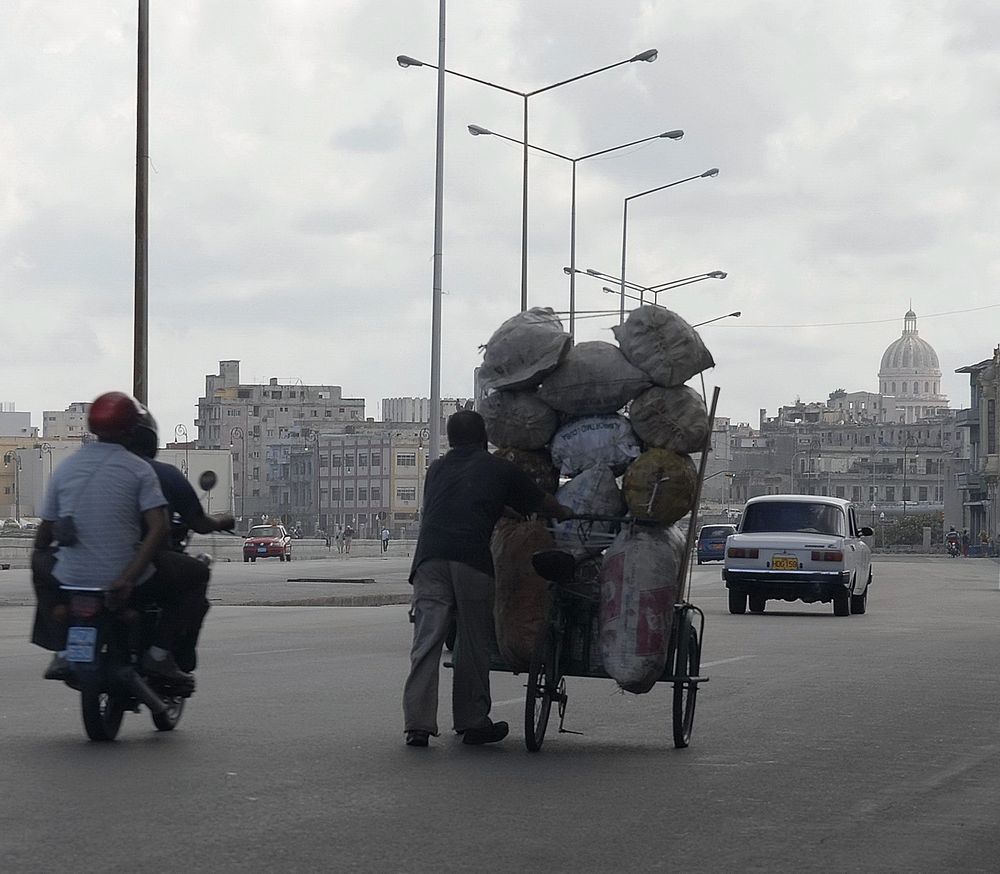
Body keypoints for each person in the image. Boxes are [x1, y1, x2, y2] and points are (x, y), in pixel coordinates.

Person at [402, 410, 572, 748]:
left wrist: (500, 509)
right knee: (472, 641)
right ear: (484, 439)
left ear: (451, 440)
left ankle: (417, 726)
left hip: (428, 559)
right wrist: (567, 512)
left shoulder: (436, 470)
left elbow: (461, 502)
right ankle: (472, 721)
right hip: (470, 559)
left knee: (426, 642)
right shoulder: (499, 468)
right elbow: (542, 503)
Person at [30, 392, 188, 682]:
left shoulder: (65, 468)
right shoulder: (140, 470)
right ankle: (159, 653)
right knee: (195, 577)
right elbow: (159, 528)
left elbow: (43, 536)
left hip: (71, 578)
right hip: (123, 580)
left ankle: (61, 648)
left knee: (39, 562)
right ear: (133, 430)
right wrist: (128, 578)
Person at [127, 411, 235, 671]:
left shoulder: (99, 471)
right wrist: (222, 522)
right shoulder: (162, 474)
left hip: (94, 561)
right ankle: (160, 651)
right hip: (138, 561)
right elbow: (198, 522)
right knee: (198, 574)